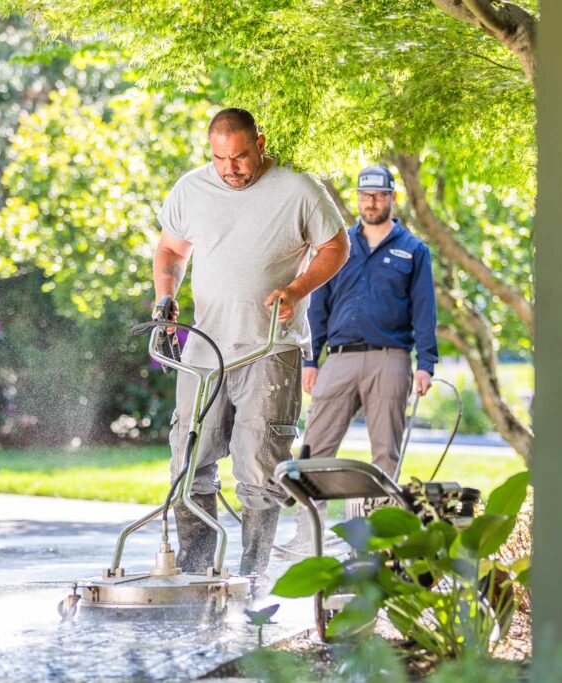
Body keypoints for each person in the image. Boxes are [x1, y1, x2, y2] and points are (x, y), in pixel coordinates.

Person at [153, 108, 349, 577]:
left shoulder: (299, 188)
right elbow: (171, 250)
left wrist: (297, 289)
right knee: (189, 456)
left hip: (269, 349)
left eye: (240, 156)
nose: (230, 169)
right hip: (205, 349)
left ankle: (252, 574)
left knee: (260, 465)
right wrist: (166, 296)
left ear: (259, 143)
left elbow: (336, 246)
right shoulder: (191, 189)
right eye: (220, 158)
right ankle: (196, 568)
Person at [284, 164, 438, 551]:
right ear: (358, 198)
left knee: (385, 450)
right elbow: (319, 305)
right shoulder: (339, 247)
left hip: (392, 358)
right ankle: (307, 535)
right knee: (316, 447)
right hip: (338, 358)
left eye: (380, 195)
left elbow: (424, 308)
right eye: (365, 196)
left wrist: (426, 363)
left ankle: (375, 539)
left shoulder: (413, 250)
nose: (372, 202)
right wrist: (310, 359)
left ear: (391, 198)